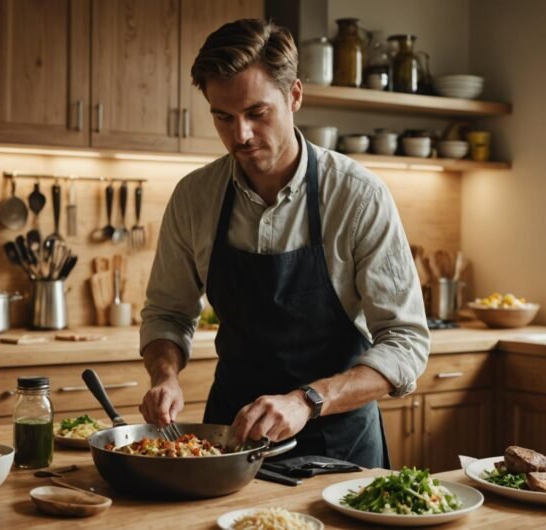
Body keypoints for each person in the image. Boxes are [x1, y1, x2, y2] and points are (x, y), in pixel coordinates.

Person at [138, 18, 429, 469]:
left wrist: (307, 400)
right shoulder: (195, 197)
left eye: (257, 113)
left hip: (339, 446)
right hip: (229, 443)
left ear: (294, 95)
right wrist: (165, 376)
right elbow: (168, 313)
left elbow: (406, 341)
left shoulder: (357, 195)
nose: (240, 135)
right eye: (223, 116)